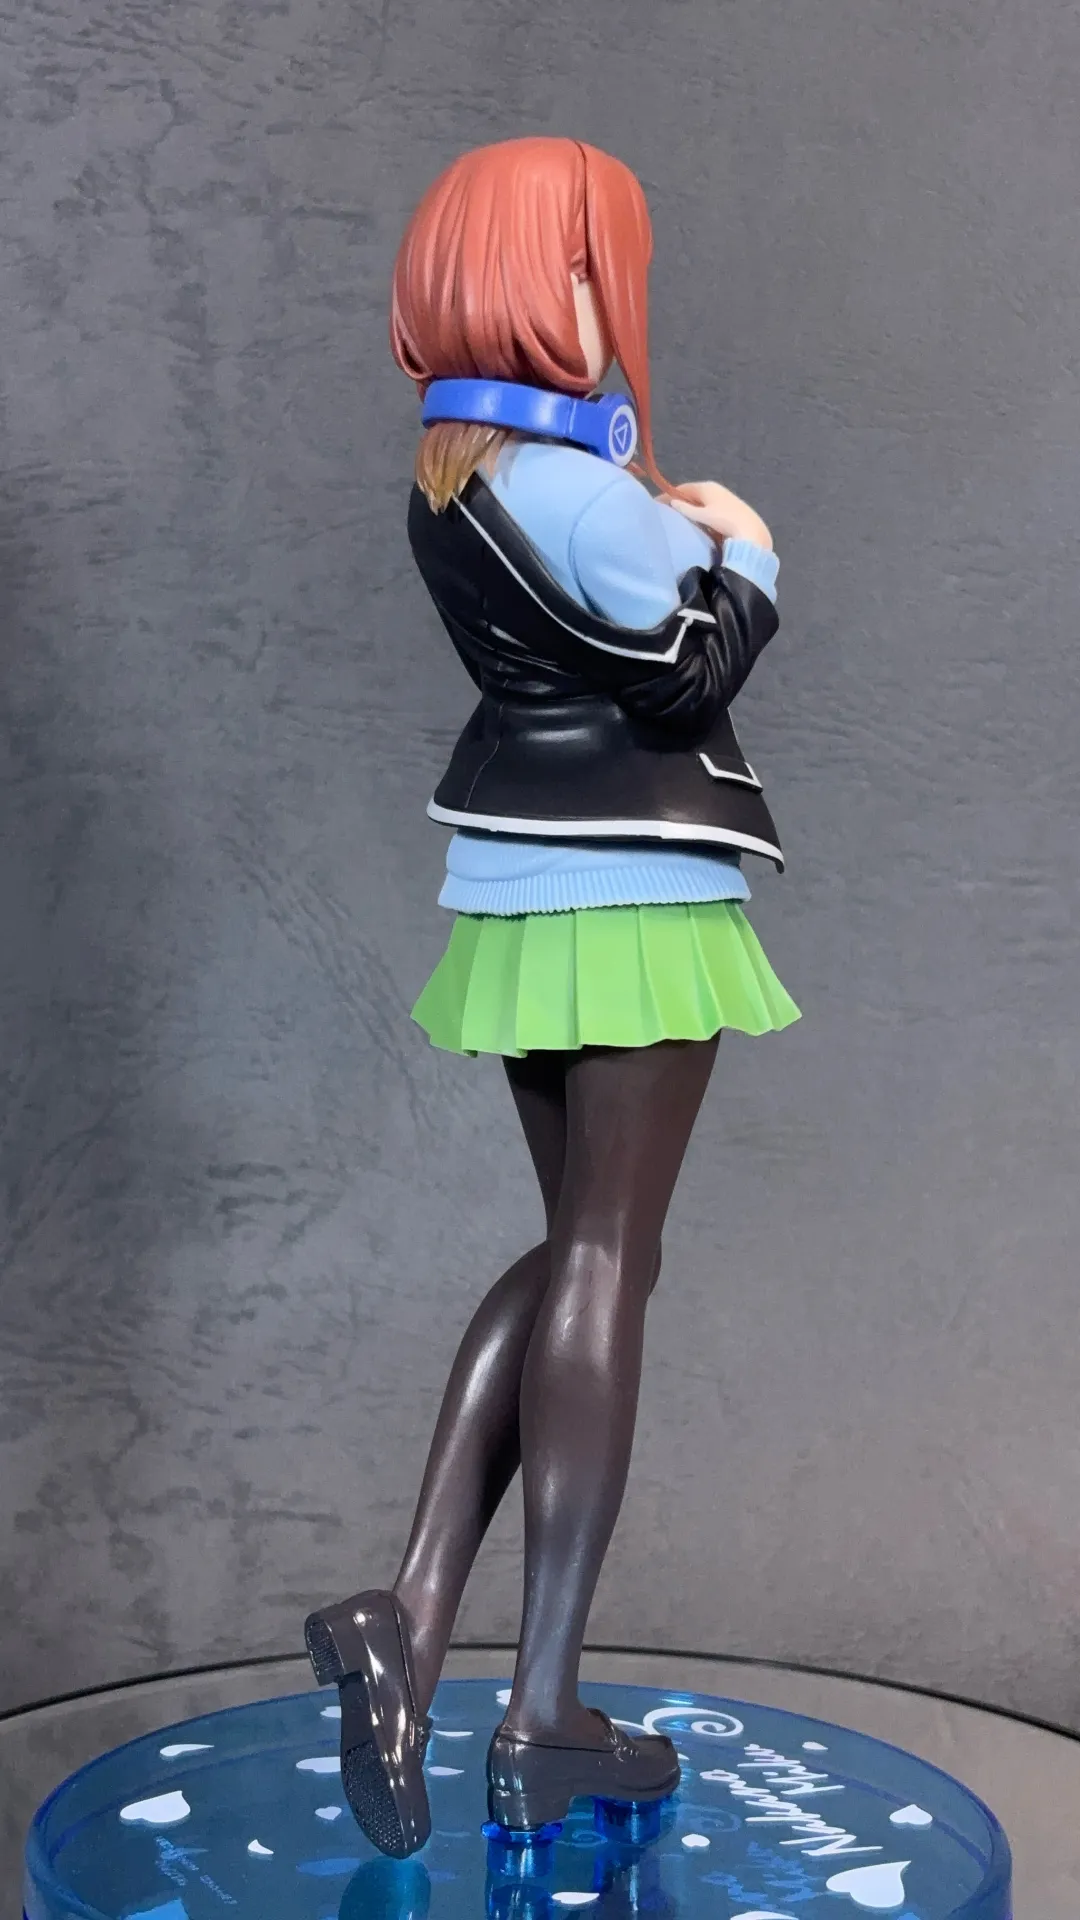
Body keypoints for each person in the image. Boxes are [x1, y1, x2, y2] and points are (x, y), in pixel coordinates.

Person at [304, 135, 799, 1860]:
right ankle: (541, 1716)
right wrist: (749, 552)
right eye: (599, 267)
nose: (613, 299)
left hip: (521, 889)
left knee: (584, 1249)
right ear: (550, 280)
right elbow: (684, 673)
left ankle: (410, 1616)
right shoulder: (580, 488)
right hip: (634, 892)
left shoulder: (452, 478)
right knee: (607, 1260)